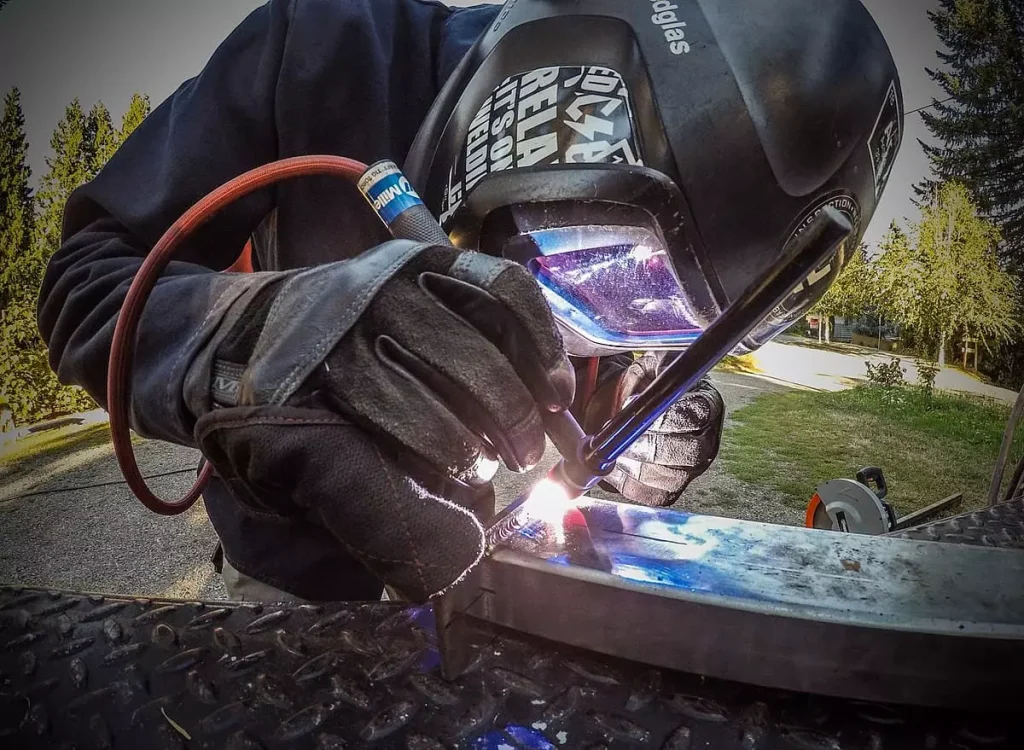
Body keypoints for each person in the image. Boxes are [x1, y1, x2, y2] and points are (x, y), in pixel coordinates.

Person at [38, 0, 900, 603]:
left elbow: (629, 391)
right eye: (585, 260)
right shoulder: (327, 46)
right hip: (292, 586)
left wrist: (653, 417)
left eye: (642, 306)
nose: (582, 326)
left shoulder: (697, 241)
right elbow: (89, 280)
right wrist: (261, 341)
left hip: (508, 593)